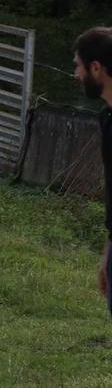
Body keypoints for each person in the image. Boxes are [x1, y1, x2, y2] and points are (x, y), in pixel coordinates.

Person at [74, 27, 112, 314]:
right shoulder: (107, 118)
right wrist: (108, 257)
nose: (76, 75)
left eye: (78, 66)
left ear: (95, 68)